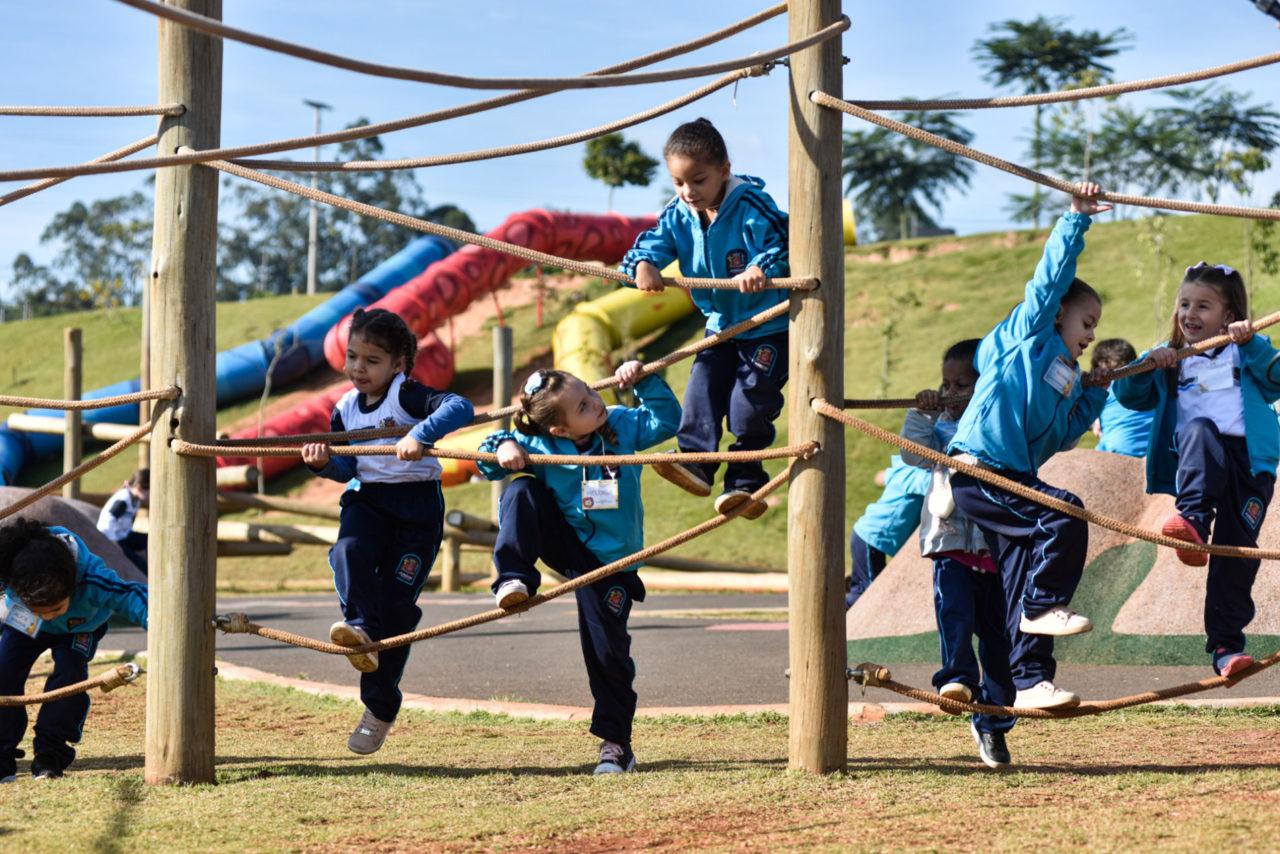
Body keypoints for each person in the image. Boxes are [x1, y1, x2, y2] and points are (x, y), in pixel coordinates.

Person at [946, 182, 1112, 711]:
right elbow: (1048, 282)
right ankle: (1043, 606)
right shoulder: (1029, 336)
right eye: (1086, 323)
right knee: (1062, 516)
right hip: (980, 470)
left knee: (1023, 574)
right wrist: (1076, 219)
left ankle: (1030, 681)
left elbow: (1061, 436)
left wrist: (1096, 391)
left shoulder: (1064, 374)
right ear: (1058, 313)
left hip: (1014, 475)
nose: (1089, 334)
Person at [477, 361, 680, 775]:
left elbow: (667, 421)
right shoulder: (540, 442)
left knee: (607, 648)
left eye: (591, 393)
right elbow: (486, 458)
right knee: (522, 489)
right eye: (584, 406)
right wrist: (503, 449)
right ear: (561, 431)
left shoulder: (621, 425)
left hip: (611, 561)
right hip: (565, 542)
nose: (596, 403)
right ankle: (513, 577)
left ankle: (616, 744)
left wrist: (643, 382)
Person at [301, 308, 475, 756]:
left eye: (372, 360)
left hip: (416, 507)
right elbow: (346, 467)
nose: (359, 368)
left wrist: (422, 431)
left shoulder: (407, 395)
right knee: (348, 550)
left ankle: (379, 709)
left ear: (397, 364)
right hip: (371, 500)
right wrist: (324, 462)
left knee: (397, 611)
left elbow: (461, 407)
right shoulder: (343, 408)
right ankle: (359, 625)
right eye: (353, 357)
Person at [1113, 262, 1280, 678]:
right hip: (1199, 459)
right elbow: (1125, 392)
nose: (1190, 313)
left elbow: (1278, 378)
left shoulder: (1247, 349)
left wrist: (1254, 343)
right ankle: (1192, 521)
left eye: (1203, 306)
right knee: (1200, 429)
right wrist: (1150, 362)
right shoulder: (1172, 358)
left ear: (1227, 316)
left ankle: (1226, 647)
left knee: (1237, 554)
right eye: (1184, 303)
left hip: (1250, 467)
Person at [620, 117, 789, 521]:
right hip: (720, 325)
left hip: (765, 324)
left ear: (724, 170)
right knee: (701, 389)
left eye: (698, 180)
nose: (688, 191)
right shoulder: (679, 212)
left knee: (747, 404)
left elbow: (784, 239)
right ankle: (696, 463)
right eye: (679, 182)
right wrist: (644, 263)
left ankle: (745, 481)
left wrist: (760, 266)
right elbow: (652, 242)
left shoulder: (749, 204)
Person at [900, 338, 1015, 770]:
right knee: (956, 617)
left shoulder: (999, 431)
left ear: (984, 388)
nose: (949, 394)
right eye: (944, 384)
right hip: (951, 545)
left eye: (960, 385)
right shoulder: (939, 431)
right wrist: (924, 411)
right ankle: (957, 680)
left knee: (999, 638)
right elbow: (912, 453)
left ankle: (995, 721)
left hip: (996, 550)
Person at [0, 519, 148, 782]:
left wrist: (157, 622)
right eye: (40, 610)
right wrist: (34, 612)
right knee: (3, 670)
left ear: (73, 588)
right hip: (24, 622)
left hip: (79, 628)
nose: (47, 616)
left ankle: (50, 755)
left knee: (70, 675)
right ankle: (1, 756)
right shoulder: (10, 566)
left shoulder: (92, 578)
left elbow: (130, 594)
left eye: (54, 608)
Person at [846, 456, 930, 610]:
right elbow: (931, 485)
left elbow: (881, 477)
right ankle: (832, 616)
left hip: (868, 537)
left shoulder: (906, 469)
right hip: (870, 538)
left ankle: (836, 613)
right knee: (869, 595)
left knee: (862, 591)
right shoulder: (915, 473)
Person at [1090, 339, 1153, 457]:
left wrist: (1095, 420)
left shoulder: (1103, 389)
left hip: (1117, 452)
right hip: (1154, 453)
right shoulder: (1149, 386)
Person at [96, 467, 149, 573]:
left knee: (149, 539)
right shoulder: (123, 499)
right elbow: (108, 520)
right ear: (139, 488)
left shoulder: (136, 500)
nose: (149, 495)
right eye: (149, 490)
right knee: (140, 565)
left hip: (124, 535)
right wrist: (112, 543)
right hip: (113, 538)